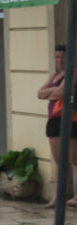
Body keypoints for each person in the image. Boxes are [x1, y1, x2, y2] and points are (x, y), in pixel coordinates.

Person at [37, 44, 77, 207]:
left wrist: (50, 94)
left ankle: (76, 195)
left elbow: (61, 92)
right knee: (59, 160)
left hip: (71, 119)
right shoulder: (54, 75)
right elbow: (39, 93)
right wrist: (50, 94)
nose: (59, 60)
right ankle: (57, 196)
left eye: (63, 57)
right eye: (57, 57)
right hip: (53, 119)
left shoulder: (73, 72)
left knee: (74, 159)